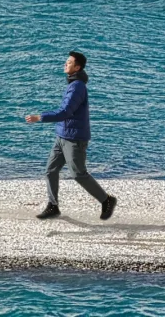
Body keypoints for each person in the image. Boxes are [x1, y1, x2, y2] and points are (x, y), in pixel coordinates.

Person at [25, 50, 117, 221]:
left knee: (78, 174)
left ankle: (107, 200)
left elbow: (66, 112)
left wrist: (40, 117)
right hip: (62, 136)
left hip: (74, 139)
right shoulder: (73, 84)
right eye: (66, 61)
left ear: (77, 67)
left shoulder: (77, 87)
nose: (65, 64)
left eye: (69, 62)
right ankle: (53, 206)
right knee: (51, 170)